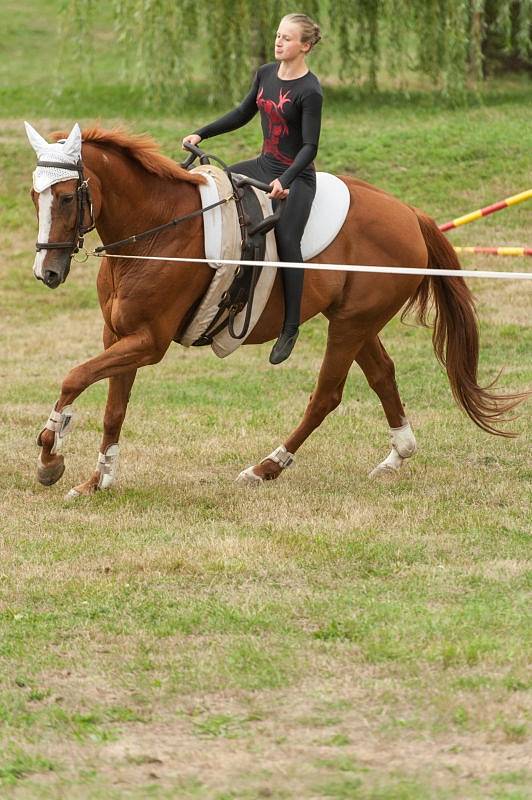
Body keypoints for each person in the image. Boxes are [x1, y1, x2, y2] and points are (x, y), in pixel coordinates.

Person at [183, 13, 322, 364]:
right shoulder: (265, 73)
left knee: (288, 240)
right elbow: (243, 112)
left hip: (295, 176)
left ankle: (290, 326)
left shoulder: (310, 90)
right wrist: (202, 133)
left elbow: (309, 147)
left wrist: (285, 181)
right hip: (262, 164)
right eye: (278, 35)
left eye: (287, 38)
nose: (279, 42)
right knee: (218, 193)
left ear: (304, 46)